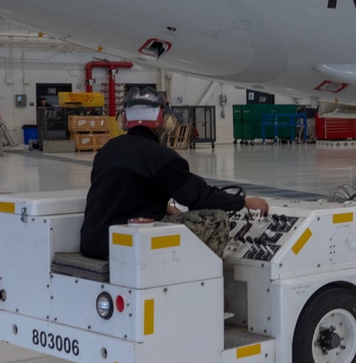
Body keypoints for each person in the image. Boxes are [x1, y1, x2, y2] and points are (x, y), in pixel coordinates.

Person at [79, 87, 268, 260]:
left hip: (93, 242)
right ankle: (203, 286)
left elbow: (124, 190)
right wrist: (242, 202)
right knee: (217, 220)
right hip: (128, 246)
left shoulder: (107, 150)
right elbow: (198, 196)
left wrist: (162, 206)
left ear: (124, 119)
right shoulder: (161, 156)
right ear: (164, 120)